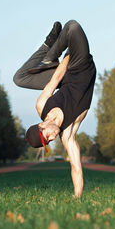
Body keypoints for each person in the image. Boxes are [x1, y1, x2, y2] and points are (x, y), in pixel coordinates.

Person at [13, 20, 96, 198]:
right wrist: (77, 197)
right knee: (73, 28)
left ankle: (49, 47)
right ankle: (52, 55)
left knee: (19, 78)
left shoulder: (41, 105)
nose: (52, 139)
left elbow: (55, 80)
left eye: (47, 137)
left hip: (64, 72)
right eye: (49, 141)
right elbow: (76, 167)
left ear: (42, 125)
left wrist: (65, 56)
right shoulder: (68, 134)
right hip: (82, 66)